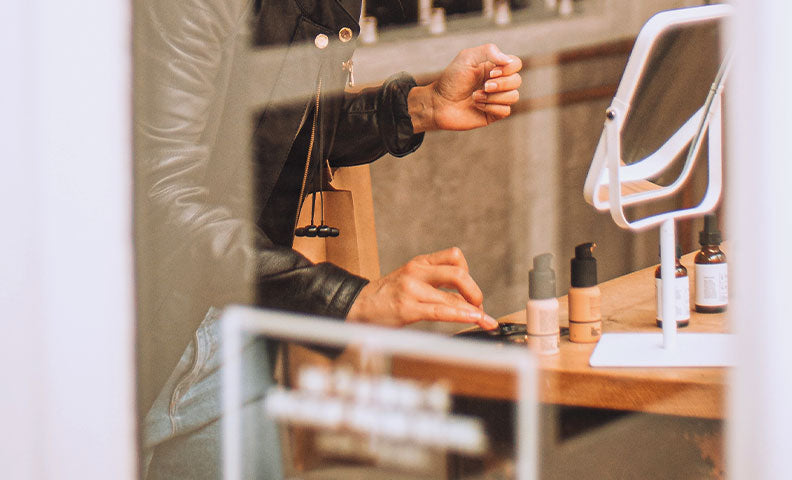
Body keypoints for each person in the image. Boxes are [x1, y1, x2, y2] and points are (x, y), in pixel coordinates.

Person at [134, 0, 522, 477]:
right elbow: (158, 199)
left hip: (228, 318)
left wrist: (420, 106)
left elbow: (273, 122)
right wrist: (350, 298)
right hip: (130, 337)